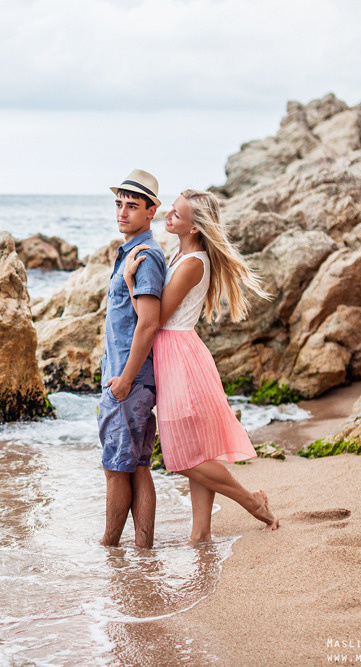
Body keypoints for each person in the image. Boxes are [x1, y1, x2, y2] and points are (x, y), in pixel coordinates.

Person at [124, 189, 279, 541]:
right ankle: (201, 534)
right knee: (197, 451)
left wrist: (131, 282)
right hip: (180, 353)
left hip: (178, 354)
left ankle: (252, 502)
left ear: (194, 227)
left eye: (176, 215)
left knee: (183, 458)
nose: (168, 217)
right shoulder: (183, 253)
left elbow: (157, 319)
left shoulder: (193, 262)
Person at [97, 169, 167, 549]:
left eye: (132, 206)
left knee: (114, 469)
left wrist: (123, 378)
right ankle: (143, 551)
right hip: (132, 376)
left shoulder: (146, 256)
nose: (122, 212)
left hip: (128, 379)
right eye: (119, 204)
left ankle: (108, 548)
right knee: (137, 467)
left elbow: (148, 323)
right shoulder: (133, 253)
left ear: (151, 210)